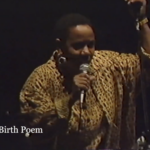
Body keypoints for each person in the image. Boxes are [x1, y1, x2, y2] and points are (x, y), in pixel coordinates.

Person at [19, 0, 150, 149]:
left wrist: (142, 20)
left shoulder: (107, 64)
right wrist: (69, 98)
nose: (86, 52)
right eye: (78, 46)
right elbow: (38, 128)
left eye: (91, 45)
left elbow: (146, 64)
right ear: (60, 45)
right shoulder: (41, 79)